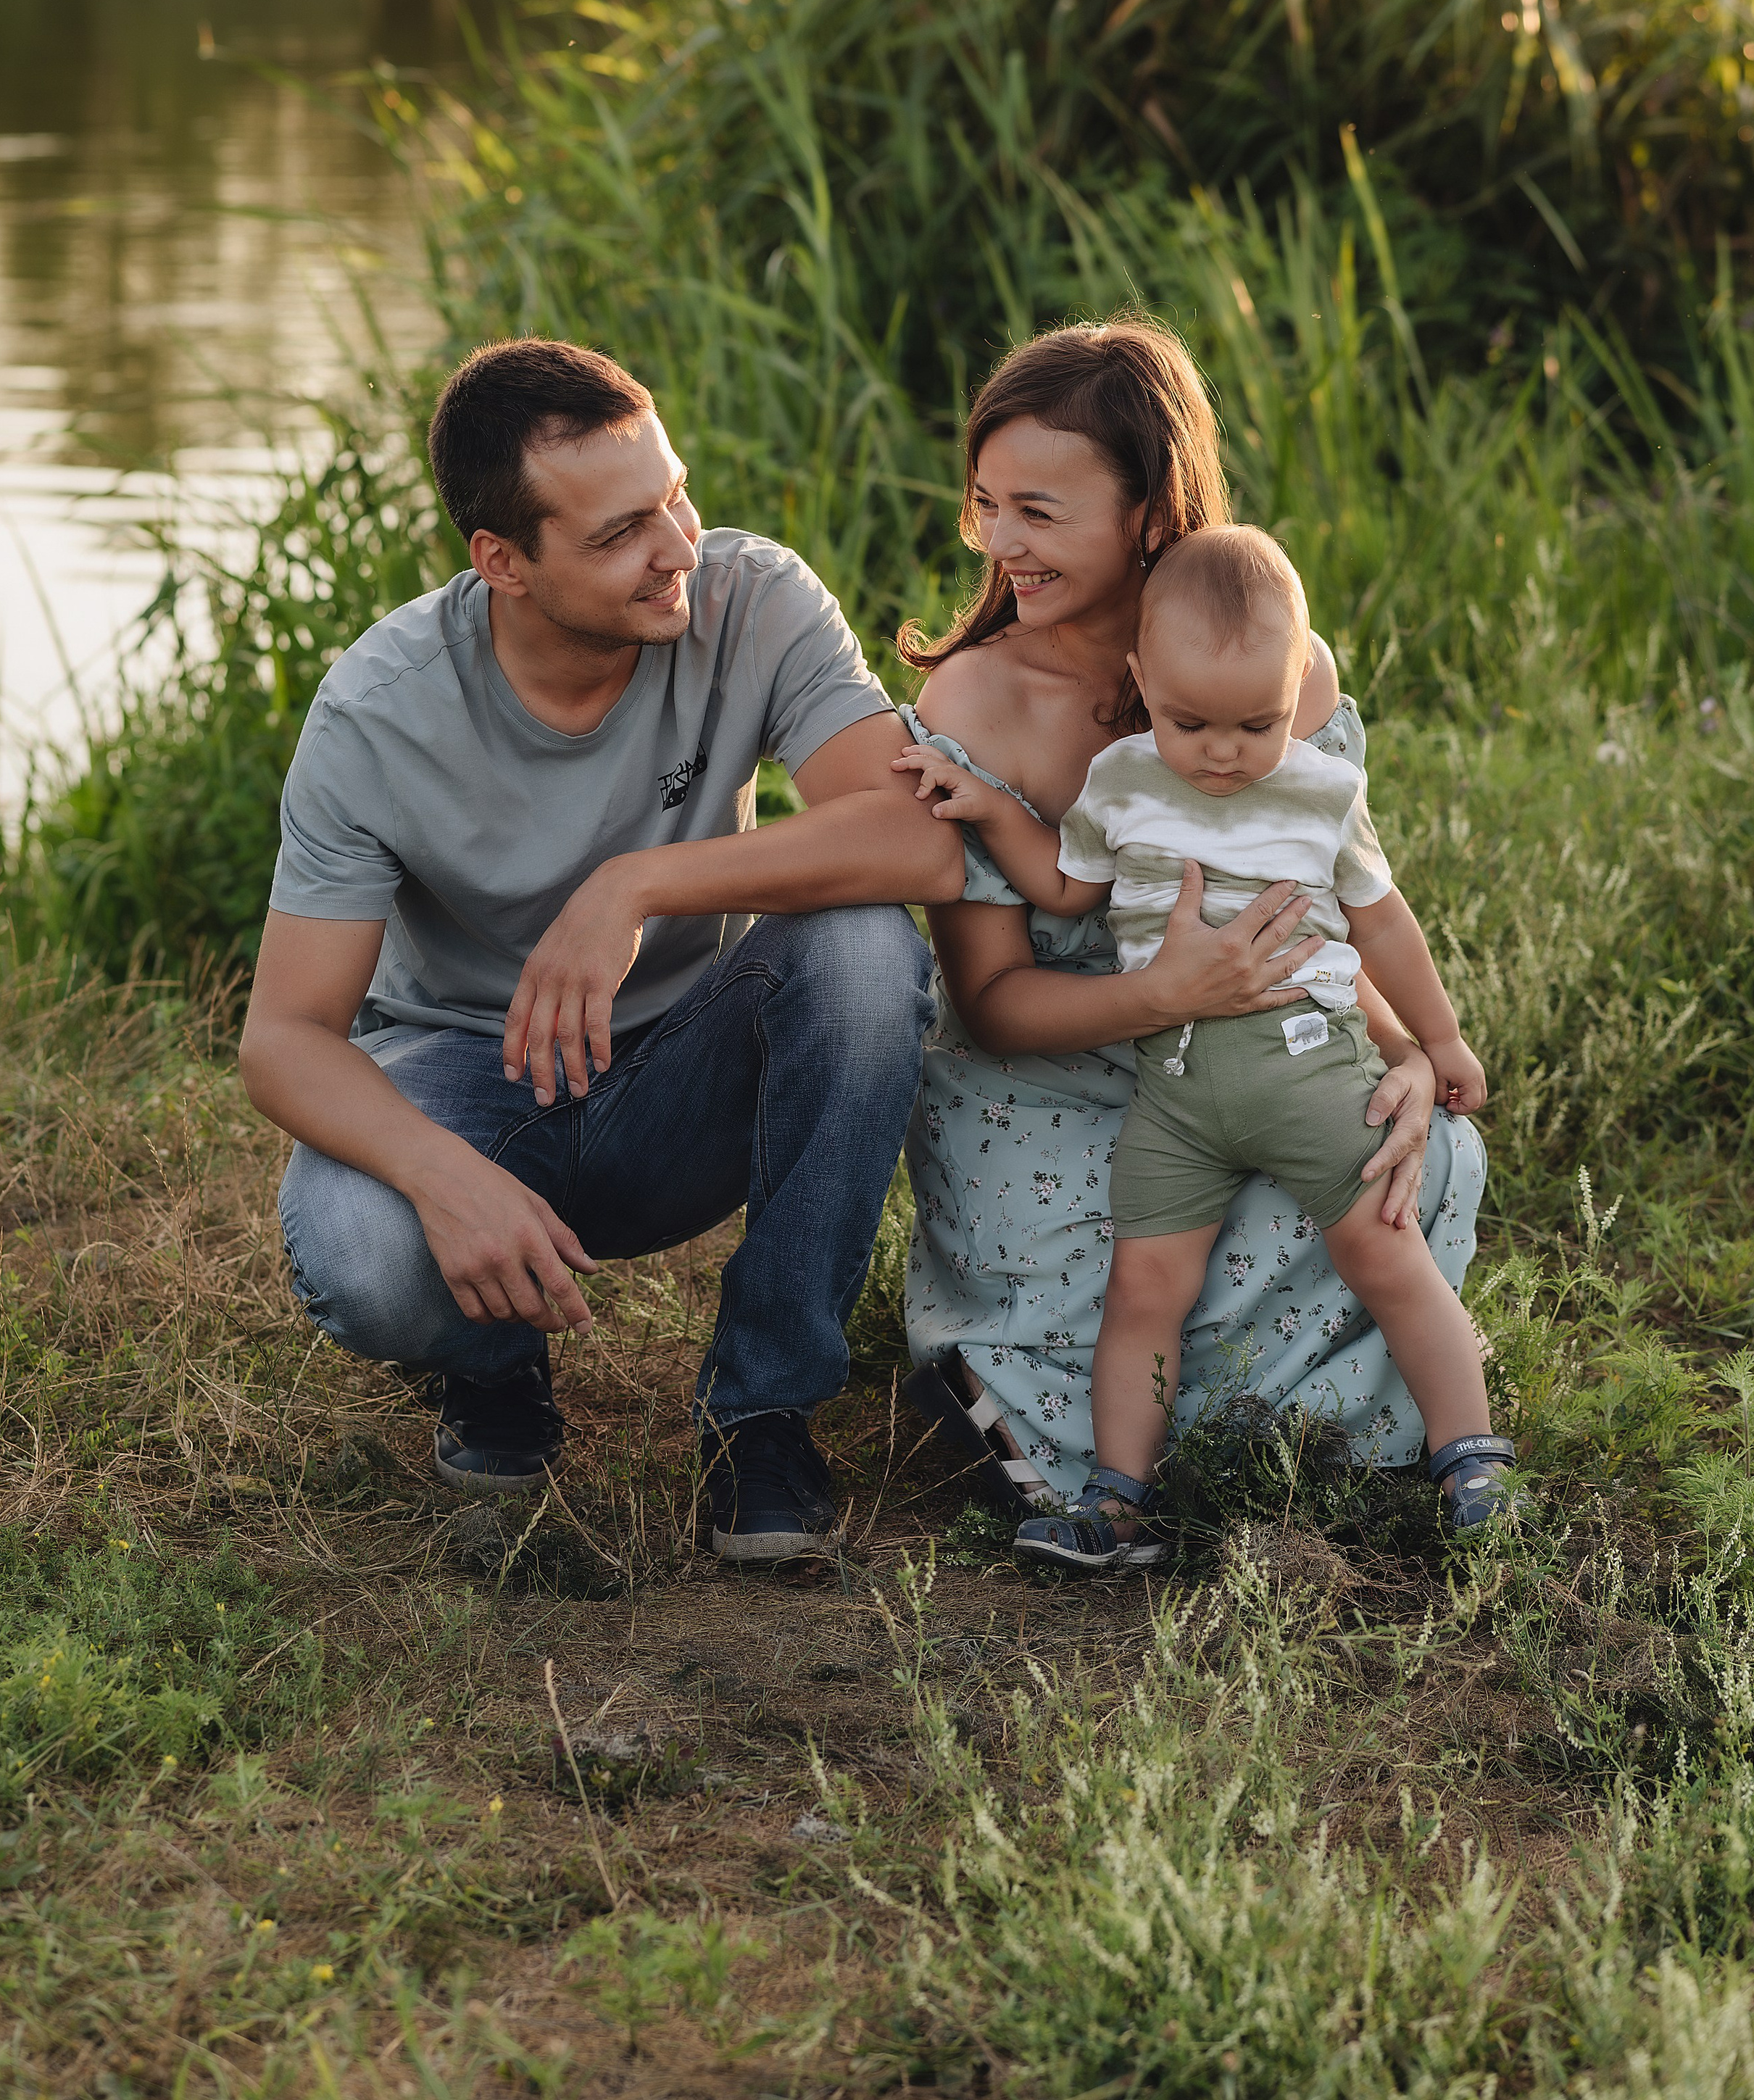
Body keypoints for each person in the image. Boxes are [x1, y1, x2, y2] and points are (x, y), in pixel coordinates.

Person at [239, 336, 961, 1562]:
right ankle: (493, 1374)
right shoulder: (377, 711)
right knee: (359, 1245)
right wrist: (440, 1174)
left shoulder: (754, 598)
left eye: (675, 496)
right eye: (622, 531)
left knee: (859, 951)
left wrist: (634, 884)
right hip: (474, 1084)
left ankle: (763, 1416)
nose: (677, 547)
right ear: (503, 562)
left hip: (694, 1073)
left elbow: (914, 839)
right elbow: (284, 1038)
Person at [893, 319, 1487, 1522]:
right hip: (1054, 1066)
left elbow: (1308, 906)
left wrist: (1409, 1051)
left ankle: (1313, 1451)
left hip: (1260, 1044)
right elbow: (994, 1002)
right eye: (986, 505)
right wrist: (1165, 993)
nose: (1005, 544)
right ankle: (1082, 1442)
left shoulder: (1278, 669)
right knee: (1114, 1256)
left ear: (1150, 511)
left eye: (1041, 513)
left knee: (1401, 1173)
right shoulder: (976, 698)